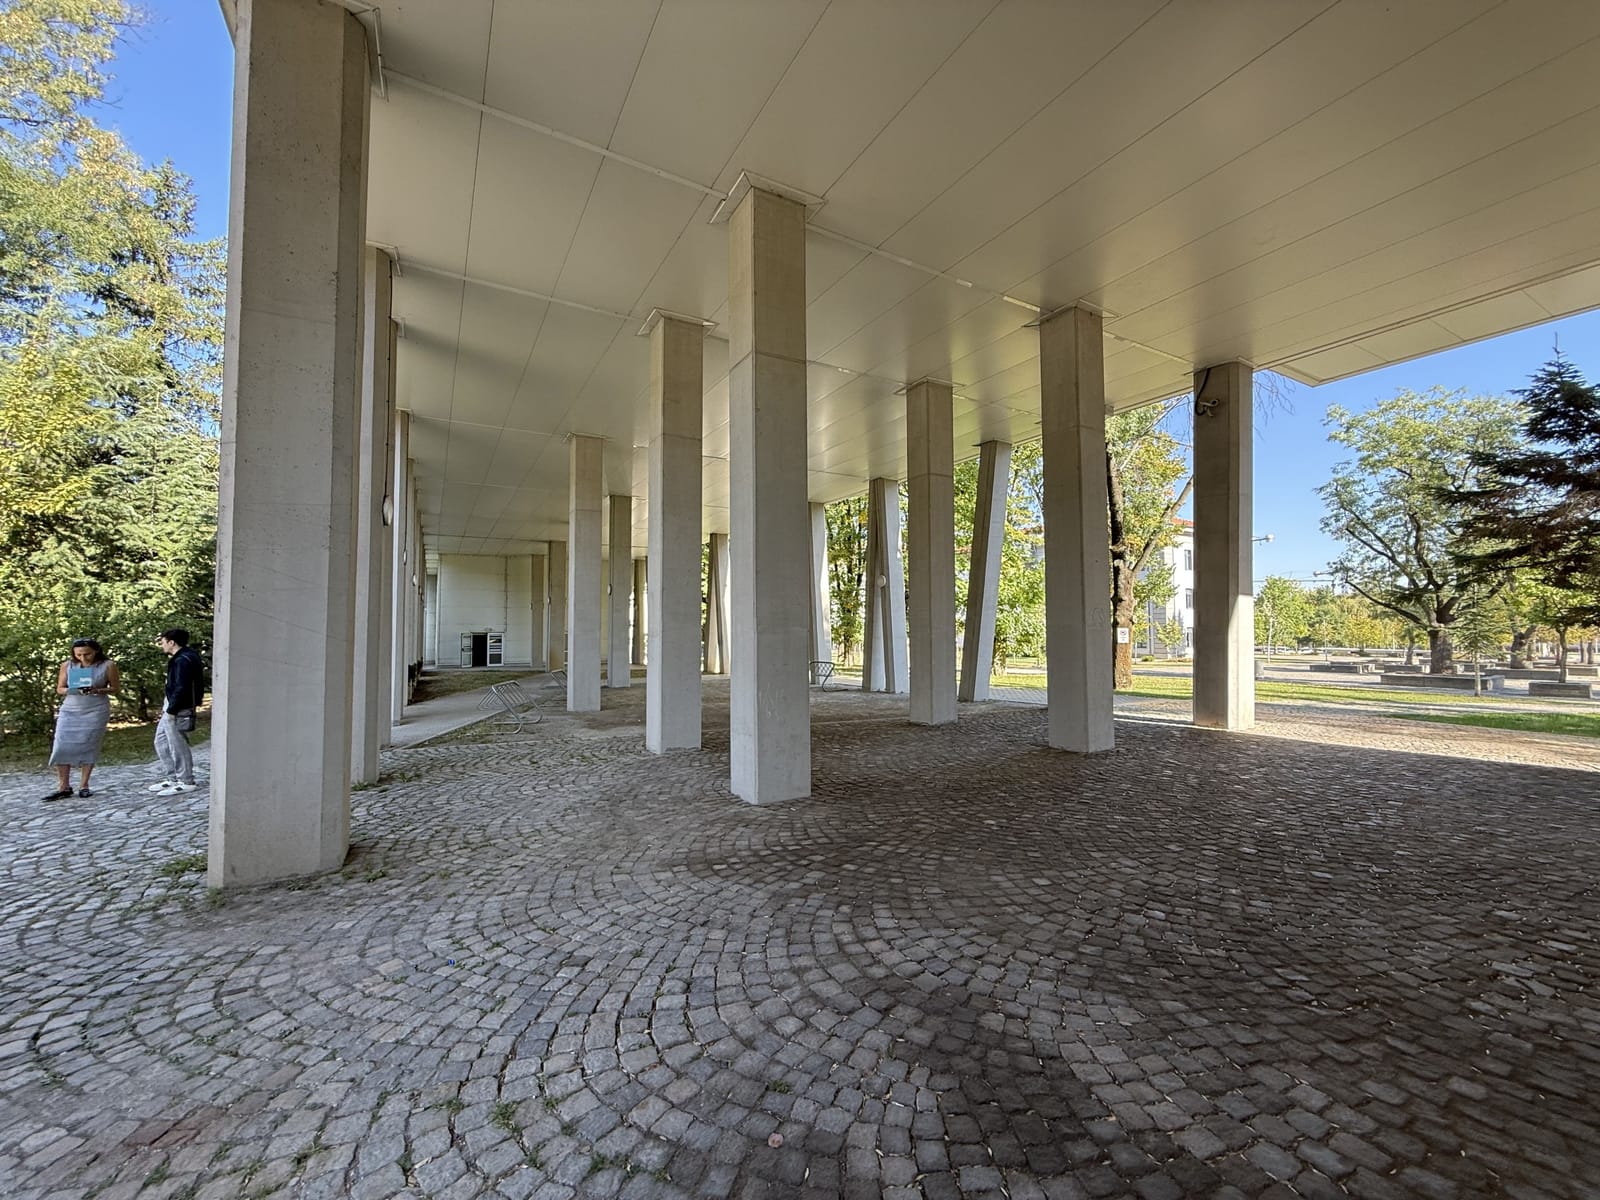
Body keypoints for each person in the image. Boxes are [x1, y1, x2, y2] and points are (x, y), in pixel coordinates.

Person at [44, 638, 120, 801]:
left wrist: (98, 689)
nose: (83, 658)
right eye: (79, 655)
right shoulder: (67, 665)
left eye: (87, 654)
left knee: (89, 744)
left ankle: (84, 785)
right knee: (61, 744)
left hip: (95, 710)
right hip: (71, 709)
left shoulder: (108, 665)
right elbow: (60, 688)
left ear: (96, 651)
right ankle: (64, 786)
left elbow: (114, 688)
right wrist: (74, 690)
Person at [151, 628, 204, 797]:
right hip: (172, 702)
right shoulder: (183, 657)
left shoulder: (183, 659)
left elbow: (183, 687)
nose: (162, 645)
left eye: (163, 642)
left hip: (178, 705)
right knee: (161, 741)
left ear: (171, 642)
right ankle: (172, 777)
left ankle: (186, 780)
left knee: (177, 742)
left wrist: (172, 709)